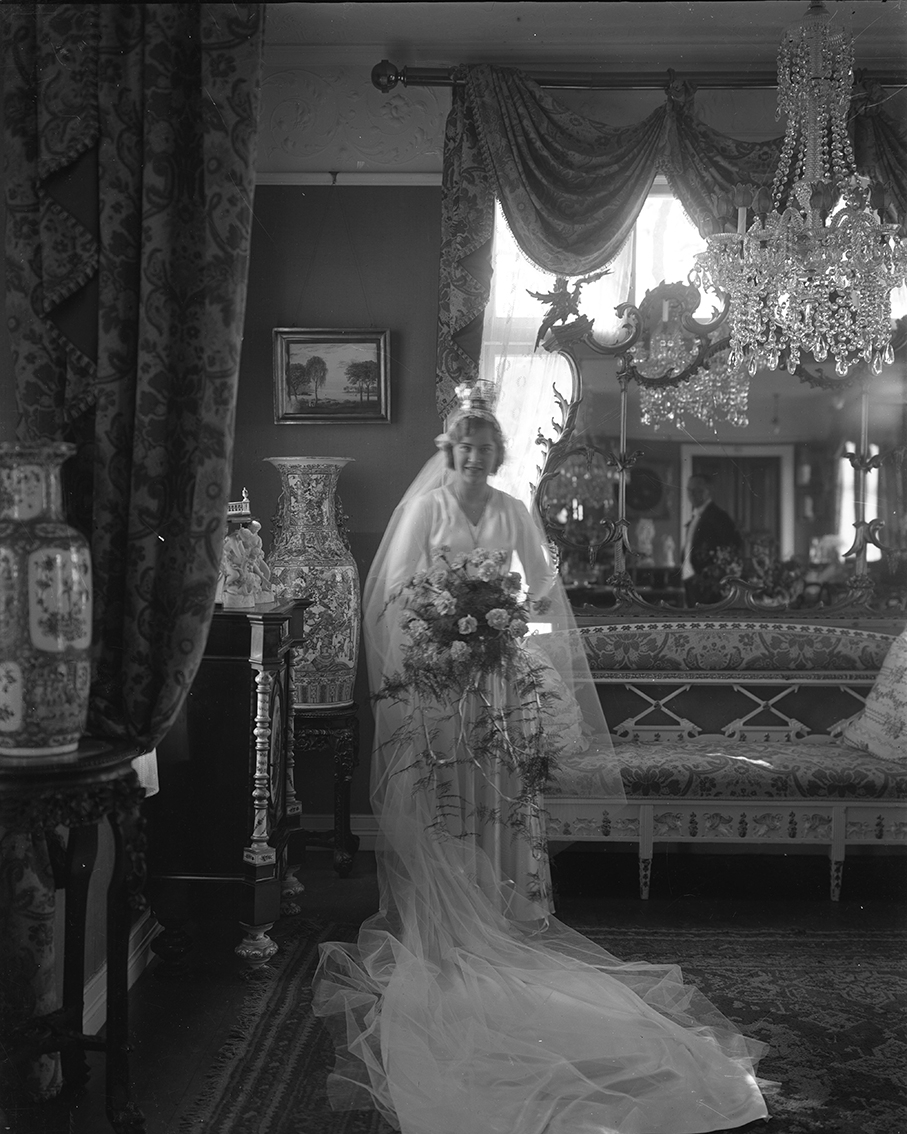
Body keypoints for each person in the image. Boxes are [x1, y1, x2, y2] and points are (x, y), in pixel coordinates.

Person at [312, 386, 769, 1134]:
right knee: (446, 793)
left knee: (497, 789)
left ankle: (503, 910)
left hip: (497, 678)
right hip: (440, 681)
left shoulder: (513, 512)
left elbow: (545, 588)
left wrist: (512, 629)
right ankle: (449, 919)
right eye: (465, 447)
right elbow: (392, 594)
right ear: (449, 451)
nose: (475, 458)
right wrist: (438, 632)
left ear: (497, 455)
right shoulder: (426, 511)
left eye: (486, 449)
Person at [682, 473, 744, 605]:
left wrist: (714, 578)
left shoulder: (719, 516)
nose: (692, 494)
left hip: (707, 586)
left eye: (698, 490)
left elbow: (734, 547)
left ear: (709, 491)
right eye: (689, 490)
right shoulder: (696, 515)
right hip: (691, 582)